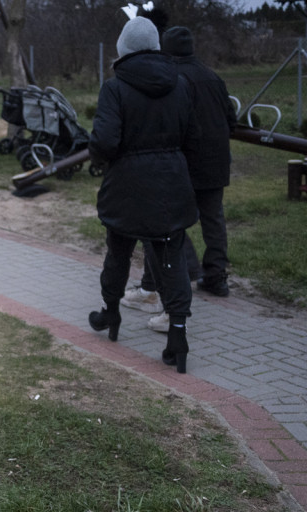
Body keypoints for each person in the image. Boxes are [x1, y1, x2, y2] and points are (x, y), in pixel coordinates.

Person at [87, 17, 198, 374]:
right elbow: (190, 135)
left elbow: (104, 142)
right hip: (171, 181)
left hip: (127, 186)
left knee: (119, 252)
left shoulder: (115, 88)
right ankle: (177, 333)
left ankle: (111, 313)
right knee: (172, 257)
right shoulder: (180, 84)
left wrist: (101, 156)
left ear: (123, 49)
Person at [164, 25, 237, 299]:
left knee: (170, 216)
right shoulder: (213, 76)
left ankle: (190, 266)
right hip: (216, 161)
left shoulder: (173, 79)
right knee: (213, 220)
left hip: (185, 162)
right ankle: (217, 277)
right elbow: (232, 120)